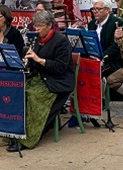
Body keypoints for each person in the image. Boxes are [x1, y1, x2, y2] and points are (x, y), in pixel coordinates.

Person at [8, 10, 75, 152]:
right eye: (35, 25)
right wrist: (26, 62)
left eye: (40, 26)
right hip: (41, 77)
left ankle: (28, 139)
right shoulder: (38, 39)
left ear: (50, 25)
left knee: (33, 96)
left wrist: (39, 60)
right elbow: (34, 65)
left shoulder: (61, 41)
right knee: (17, 91)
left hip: (58, 81)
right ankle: (16, 132)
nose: (37, 29)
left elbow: (61, 68)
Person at [88, 0, 123, 77]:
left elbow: (115, 47)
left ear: (107, 10)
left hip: (110, 61)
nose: (95, 11)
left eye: (98, 9)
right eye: (93, 9)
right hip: (93, 59)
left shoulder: (117, 23)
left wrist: (102, 58)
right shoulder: (92, 24)